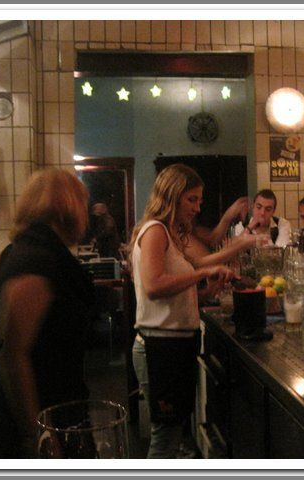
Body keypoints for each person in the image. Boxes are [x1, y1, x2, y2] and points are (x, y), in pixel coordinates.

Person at [0, 168, 96, 457]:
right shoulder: (40, 260)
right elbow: (13, 355)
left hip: (56, 407)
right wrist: (40, 437)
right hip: (50, 412)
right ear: (69, 208)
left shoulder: (23, 249)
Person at [129, 163, 235, 458]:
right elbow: (154, 285)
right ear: (171, 195)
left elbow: (172, 297)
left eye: (199, 200)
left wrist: (206, 292)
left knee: (172, 433)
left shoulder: (170, 235)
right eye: (192, 199)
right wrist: (202, 272)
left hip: (173, 345)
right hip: (158, 348)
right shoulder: (155, 230)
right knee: (165, 438)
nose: (197, 208)